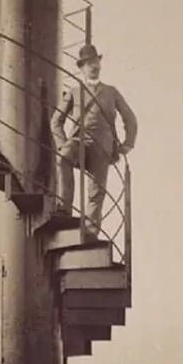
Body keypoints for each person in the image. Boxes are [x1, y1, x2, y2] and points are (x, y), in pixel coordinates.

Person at [50, 44, 139, 237]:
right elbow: (56, 121)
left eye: (96, 62)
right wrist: (62, 143)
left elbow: (130, 118)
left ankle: (90, 232)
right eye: (89, 63)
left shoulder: (111, 92)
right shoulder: (74, 91)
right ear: (81, 68)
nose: (94, 66)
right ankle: (64, 207)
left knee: (96, 190)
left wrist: (128, 144)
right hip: (78, 141)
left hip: (103, 146)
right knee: (62, 158)